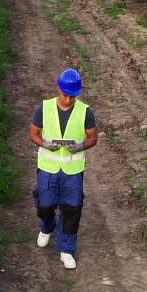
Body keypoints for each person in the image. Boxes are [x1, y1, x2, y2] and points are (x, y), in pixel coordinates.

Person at [28, 68, 99, 269]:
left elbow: (93, 136)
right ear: (58, 89)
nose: (68, 99)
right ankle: (47, 226)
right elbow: (33, 134)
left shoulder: (86, 112)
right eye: (65, 94)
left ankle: (66, 249)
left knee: (72, 209)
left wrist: (81, 146)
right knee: (45, 204)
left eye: (72, 96)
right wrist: (43, 144)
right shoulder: (44, 108)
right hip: (48, 167)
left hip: (72, 171)